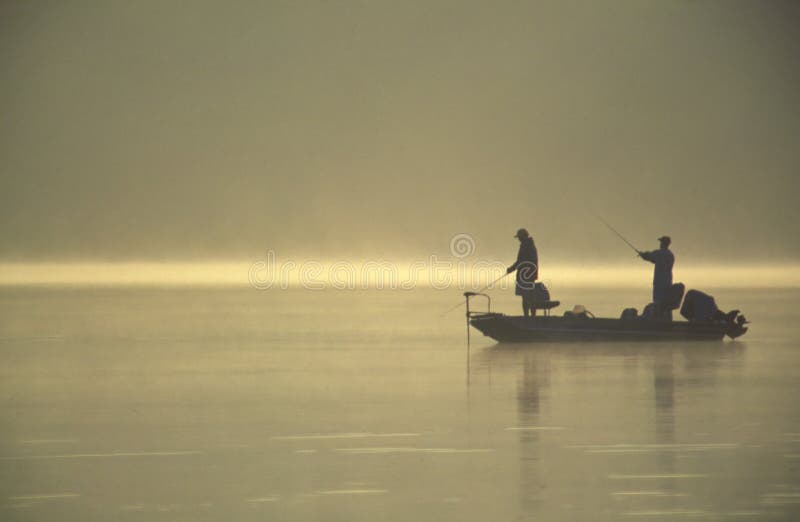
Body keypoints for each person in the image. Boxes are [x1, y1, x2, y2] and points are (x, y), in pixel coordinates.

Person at [639, 236, 674, 318]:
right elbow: (653, 258)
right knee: (666, 302)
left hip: (659, 282)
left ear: (663, 243)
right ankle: (667, 319)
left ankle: (658, 319)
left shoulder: (659, 253)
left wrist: (642, 254)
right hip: (668, 281)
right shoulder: (670, 255)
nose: (660, 244)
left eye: (661, 242)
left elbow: (649, 256)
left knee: (658, 301)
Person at [507, 228, 539, 317]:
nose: (519, 239)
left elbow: (520, 261)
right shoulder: (529, 245)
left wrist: (511, 269)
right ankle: (531, 316)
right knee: (529, 297)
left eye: (519, 237)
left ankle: (527, 317)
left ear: (523, 237)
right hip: (529, 275)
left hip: (525, 276)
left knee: (526, 297)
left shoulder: (526, 245)